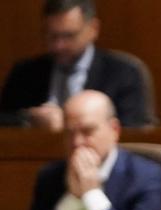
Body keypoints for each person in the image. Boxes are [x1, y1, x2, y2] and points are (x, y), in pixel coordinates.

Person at [24, 90, 161, 210]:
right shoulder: (50, 175)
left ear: (114, 130)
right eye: (69, 133)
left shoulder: (147, 176)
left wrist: (91, 196)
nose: (77, 142)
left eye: (87, 131)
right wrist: (72, 202)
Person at [0, 0, 148, 130]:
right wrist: (30, 119)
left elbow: (132, 132)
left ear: (93, 29)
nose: (59, 46)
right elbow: (4, 119)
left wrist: (68, 125)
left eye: (68, 36)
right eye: (52, 36)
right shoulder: (25, 72)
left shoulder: (123, 73)